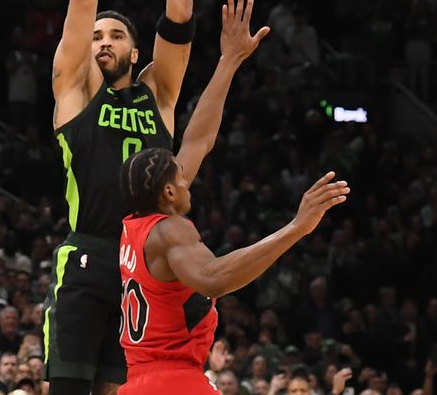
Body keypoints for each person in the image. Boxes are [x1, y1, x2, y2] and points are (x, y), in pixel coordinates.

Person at [15, 0, 198, 395]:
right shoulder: (74, 92)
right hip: (90, 256)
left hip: (142, 264)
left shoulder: (158, 95)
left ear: (135, 53)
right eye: (97, 34)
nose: (104, 40)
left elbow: (179, 16)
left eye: (116, 34)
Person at [115, 147, 349, 395]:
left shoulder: (133, 230)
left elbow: (200, 140)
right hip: (175, 383)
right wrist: (297, 227)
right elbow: (214, 278)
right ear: (169, 191)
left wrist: (216, 104)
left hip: (137, 382)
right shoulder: (170, 229)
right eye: (181, 177)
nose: (188, 182)